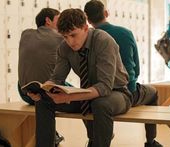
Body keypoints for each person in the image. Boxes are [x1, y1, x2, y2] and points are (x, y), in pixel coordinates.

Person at [28, 8, 132, 147]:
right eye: (65, 36)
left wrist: (69, 97)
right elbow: (57, 78)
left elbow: (105, 88)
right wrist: (42, 89)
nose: (70, 41)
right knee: (43, 101)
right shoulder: (64, 47)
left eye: (73, 35)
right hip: (88, 94)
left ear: (85, 28)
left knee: (100, 104)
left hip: (117, 93)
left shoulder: (103, 41)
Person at [84, 1, 162, 147]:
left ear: (87, 19)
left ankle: (93, 138)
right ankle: (151, 142)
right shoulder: (125, 33)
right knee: (154, 93)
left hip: (97, 93)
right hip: (128, 93)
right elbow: (136, 68)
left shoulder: (86, 38)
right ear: (106, 13)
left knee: (90, 100)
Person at [18, 8, 64, 146]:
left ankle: (52, 136)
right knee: (83, 96)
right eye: (59, 19)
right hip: (45, 92)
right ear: (48, 20)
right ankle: (93, 137)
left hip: (24, 92)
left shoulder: (25, 34)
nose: (62, 23)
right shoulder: (59, 38)